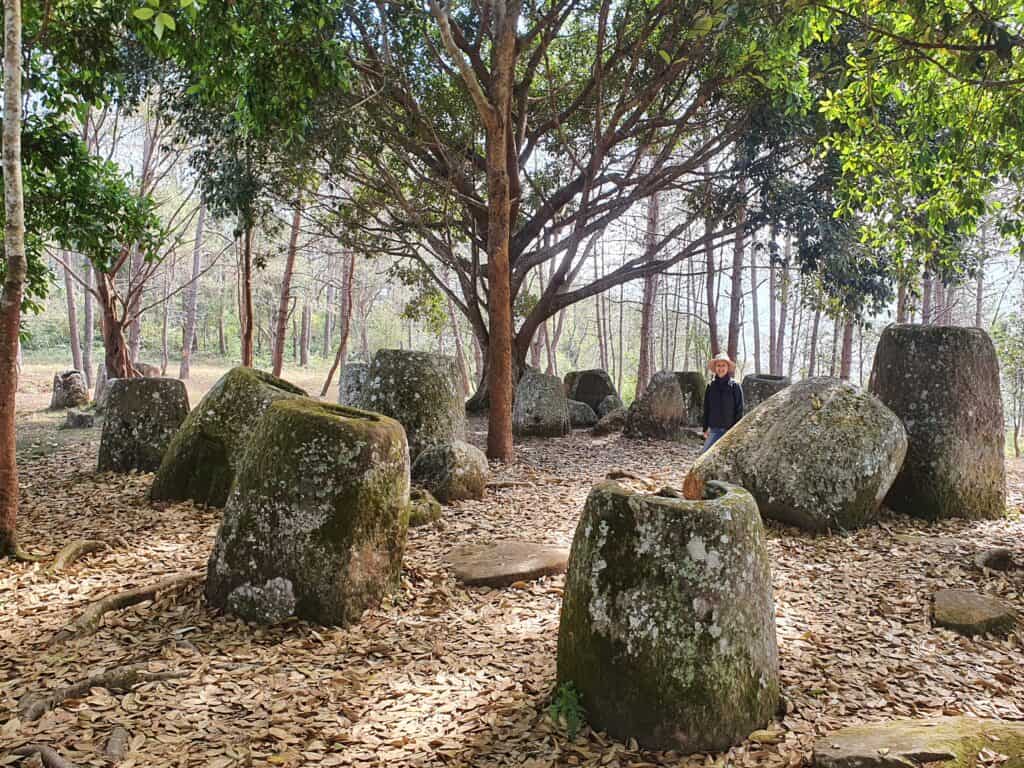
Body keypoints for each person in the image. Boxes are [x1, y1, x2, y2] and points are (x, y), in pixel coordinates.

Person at [701, 352, 744, 453]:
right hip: (714, 429)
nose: (721, 368)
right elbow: (706, 408)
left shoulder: (735, 386)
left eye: (723, 365)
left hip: (730, 430)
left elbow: (739, 409)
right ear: (715, 368)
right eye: (718, 365)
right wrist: (705, 428)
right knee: (705, 455)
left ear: (728, 367)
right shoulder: (710, 386)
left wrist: (736, 430)